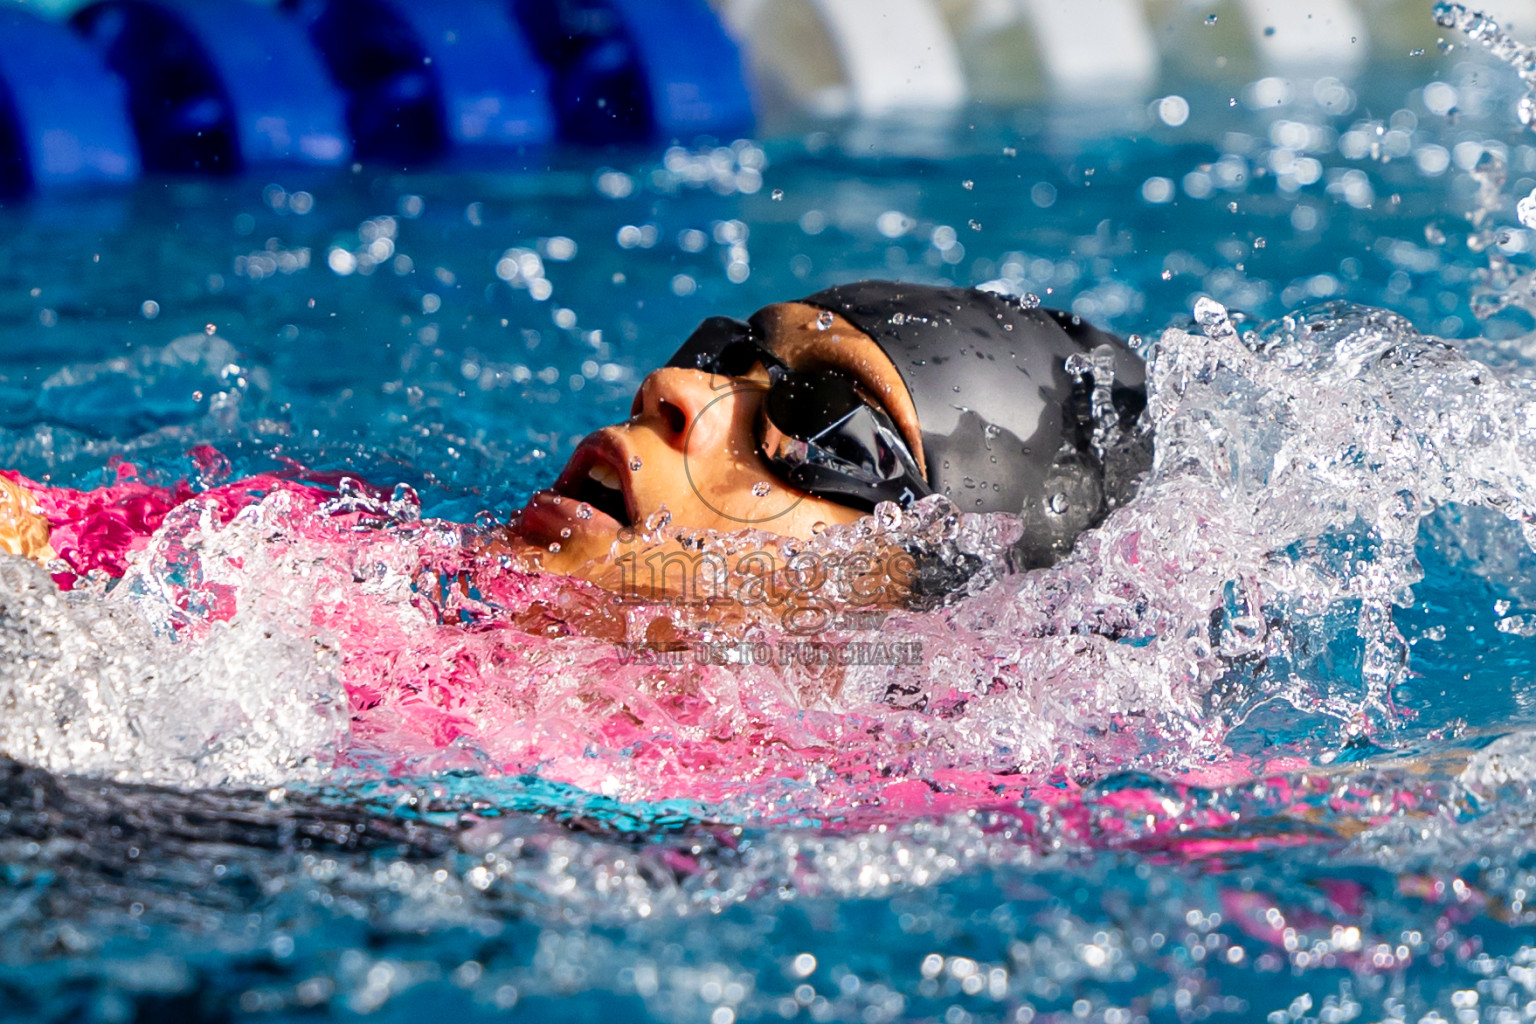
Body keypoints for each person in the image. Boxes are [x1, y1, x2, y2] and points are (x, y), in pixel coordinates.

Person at [1, 282, 1149, 604]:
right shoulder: (326, 565)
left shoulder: (888, 803)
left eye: (814, 419)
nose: (676, 392)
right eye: (723, 351)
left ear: (922, 574)